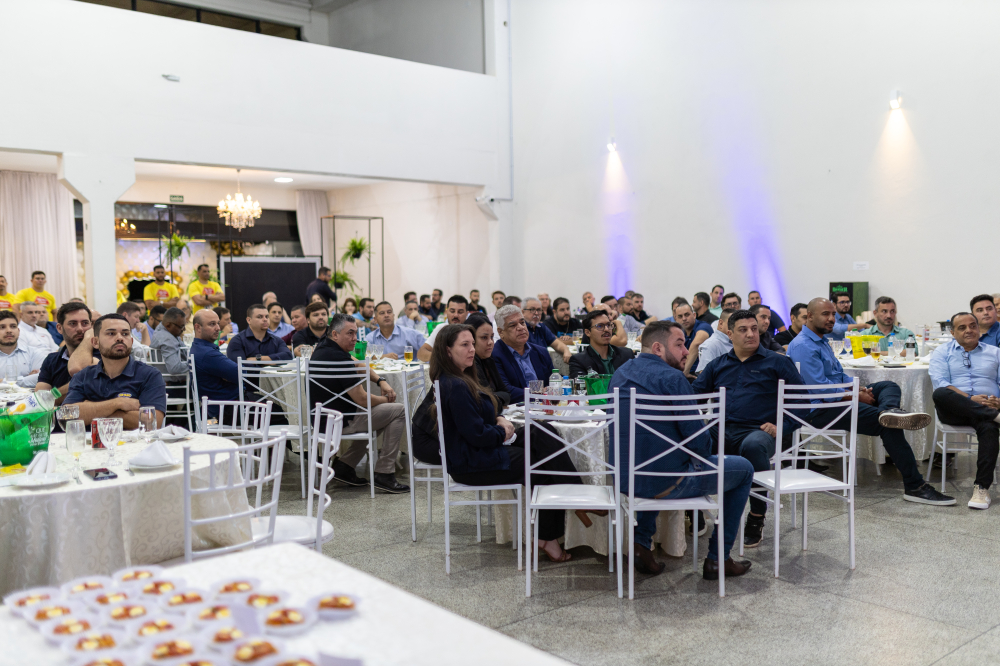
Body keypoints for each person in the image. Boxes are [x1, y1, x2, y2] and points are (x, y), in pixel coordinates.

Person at [412, 323, 592, 561]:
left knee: (541, 430)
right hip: (471, 462)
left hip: (481, 448)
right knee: (541, 462)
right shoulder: (455, 385)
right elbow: (477, 435)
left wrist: (498, 418)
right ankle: (551, 533)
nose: (472, 349)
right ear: (447, 351)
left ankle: (575, 498)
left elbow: (483, 411)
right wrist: (502, 431)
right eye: (464, 345)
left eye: (472, 344)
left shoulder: (462, 377)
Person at [611, 321, 754, 578]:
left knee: (657, 457)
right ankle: (718, 558)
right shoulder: (673, 378)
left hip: (627, 478)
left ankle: (641, 544)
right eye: (679, 345)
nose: (687, 351)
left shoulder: (620, 373)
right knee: (743, 469)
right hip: (668, 482)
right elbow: (701, 446)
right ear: (657, 348)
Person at [788, 298, 954, 505]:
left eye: (833, 314)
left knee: (888, 385)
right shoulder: (803, 346)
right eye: (825, 314)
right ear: (810, 316)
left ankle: (889, 411)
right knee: (888, 426)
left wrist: (858, 388)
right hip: (820, 409)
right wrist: (855, 395)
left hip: (837, 401)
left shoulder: (821, 341)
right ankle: (915, 486)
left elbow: (839, 376)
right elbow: (819, 389)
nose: (831, 319)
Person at [693, 310, 804, 548]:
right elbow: (694, 396)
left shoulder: (778, 362)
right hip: (721, 429)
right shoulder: (718, 364)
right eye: (743, 330)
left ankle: (757, 514)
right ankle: (693, 505)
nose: (751, 334)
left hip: (759, 431)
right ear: (730, 334)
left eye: (754, 329)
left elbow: (802, 401)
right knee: (691, 440)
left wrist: (782, 426)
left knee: (753, 446)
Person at [310, 313, 409, 493]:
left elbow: (359, 363)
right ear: (335, 334)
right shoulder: (339, 359)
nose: (355, 338)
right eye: (350, 333)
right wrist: (386, 399)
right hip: (340, 421)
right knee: (398, 410)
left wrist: (381, 381)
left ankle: (345, 466)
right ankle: (384, 473)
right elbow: (362, 400)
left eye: (355, 333)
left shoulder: (324, 347)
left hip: (323, 418)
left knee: (382, 413)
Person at [928, 311, 1000, 509]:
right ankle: (996, 417)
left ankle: (982, 488)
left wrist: (998, 402)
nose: (969, 330)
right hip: (955, 410)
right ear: (952, 332)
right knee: (940, 394)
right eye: (962, 327)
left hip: (988, 409)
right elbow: (940, 382)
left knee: (989, 428)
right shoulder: (942, 352)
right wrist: (968, 398)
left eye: (972, 326)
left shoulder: (995, 353)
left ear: (978, 329)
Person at [64, 314, 166, 429]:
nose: (120, 338)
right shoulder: (83, 376)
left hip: (134, 440)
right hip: (90, 440)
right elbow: (67, 415)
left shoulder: (150, 375)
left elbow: (152, 422)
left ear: (131, 341)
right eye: (111, 333)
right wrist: (117, 403)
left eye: (125, 334)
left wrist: (91, 409)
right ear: (95, 342)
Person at [491, 304, 555, 403]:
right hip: (516, 408)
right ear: (501, 332)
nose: (521, 328)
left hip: (545, 406)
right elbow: (506, 390)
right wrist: (537, 394)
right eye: (513, 325)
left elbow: (553, 381)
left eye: (522, 322)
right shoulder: (495, 355)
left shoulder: (541, 352)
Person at [37, 302, 95, 403]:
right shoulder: (51, 360)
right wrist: (79, 383)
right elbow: (40, 400)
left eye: (85, 323)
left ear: (91, 327)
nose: (80, 329)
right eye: (73, 323)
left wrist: (88, 338)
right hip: (58, 413)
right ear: (60, 328)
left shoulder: (104, 356)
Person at [190, 309, 241, 415]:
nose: (218, 328)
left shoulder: (198, 347)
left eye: (218, 323)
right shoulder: (207, 353)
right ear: (198, 327)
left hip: (218, 405)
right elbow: (241, 373)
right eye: (212, 324)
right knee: (275, 410)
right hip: (227, 407)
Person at [568, 310, 635, 378]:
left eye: (608, 325)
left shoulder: (627, 355)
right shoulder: (579, 361)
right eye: (600, 326)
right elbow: (580, 384)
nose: (606, 329)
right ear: (588, 332)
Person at [464, 313, 511, 409]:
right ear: (471, 340)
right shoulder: (469, 363)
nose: (490, 342)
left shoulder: (488, 358)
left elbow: (507, 394)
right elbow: (485, 401)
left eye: (492, 337)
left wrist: (494, 398)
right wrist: (496, 398)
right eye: (484, 337)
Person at [226, 304, 293, 362]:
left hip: (272, 374)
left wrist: (258, 359)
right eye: (259, 317)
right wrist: (272, 362)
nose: (265, 319)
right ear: (249, 320)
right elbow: (240, 366)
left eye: (267, 316)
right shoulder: (237, 341)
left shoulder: (277, 341)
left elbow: (288, 356)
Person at [0, 310, 47, 388]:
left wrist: (2, 381)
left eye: (13, 326)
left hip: (28, 396)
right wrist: (26, 379)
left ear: (18, 331)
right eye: (2, 327)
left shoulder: (34, 353)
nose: (9, 331)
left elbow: (42, 378)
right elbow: (32, 381)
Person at [416, 295, 470, 362]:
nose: (456, 315)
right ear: (447, 312)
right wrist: (443, 357)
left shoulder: (471, 331)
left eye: (460, 312)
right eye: (452, 311)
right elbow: (421, 353)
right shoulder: (441, 328)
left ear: (467, 314)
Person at [522, 297, 572, 363]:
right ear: (523, 312)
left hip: (545, 366)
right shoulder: (520, 329)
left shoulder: (541, 327)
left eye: (539, 310)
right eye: (532, 309)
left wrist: (566, 350)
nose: (536, 313)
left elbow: (557, 344)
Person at [674, 303, 712, 376]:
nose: (684, 319)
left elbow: (696, 344)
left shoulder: (704, 326)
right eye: (680, 316)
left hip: (701, 373)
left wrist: (684, 373)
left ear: (694, 315)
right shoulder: (679, 332)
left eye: (687, 315)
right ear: (676, 319)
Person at [150, 307, 189, 375]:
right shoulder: (167, 339)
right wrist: (193, 363)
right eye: (181, 326)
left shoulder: (163, 330)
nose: (184, 329)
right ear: (168, 325)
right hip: (175, 380)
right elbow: (174, 368)